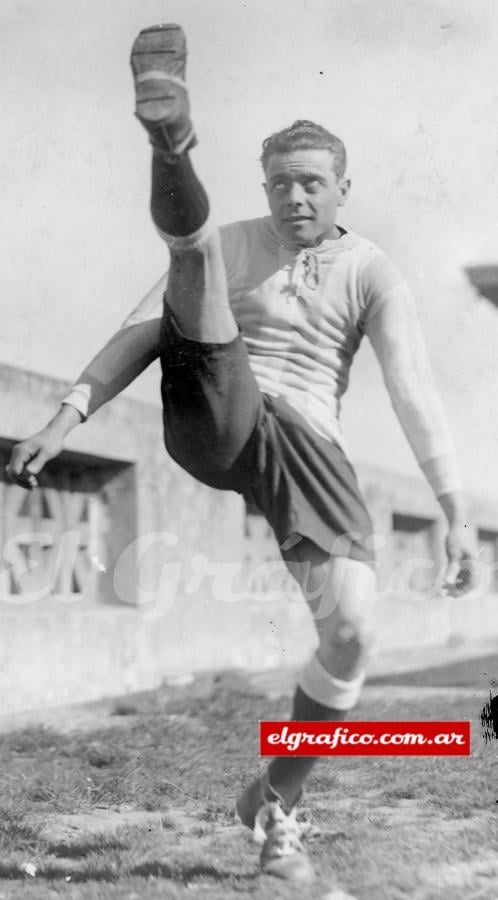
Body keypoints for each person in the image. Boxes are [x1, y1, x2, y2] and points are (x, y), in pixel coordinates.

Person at [6, 24, 476, 885]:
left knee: (352, 635)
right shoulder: (233, 243)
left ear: (344, 188)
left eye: (311, 185)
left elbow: (412, 389)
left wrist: (452, 511)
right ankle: (171, 139)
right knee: (191, 254)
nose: (294, 199)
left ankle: (275, 801)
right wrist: (64, 418)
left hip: (308, 455)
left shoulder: (373, 270)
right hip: (217, 408)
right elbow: (135, 335)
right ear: (263, 186)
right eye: (279, 185)